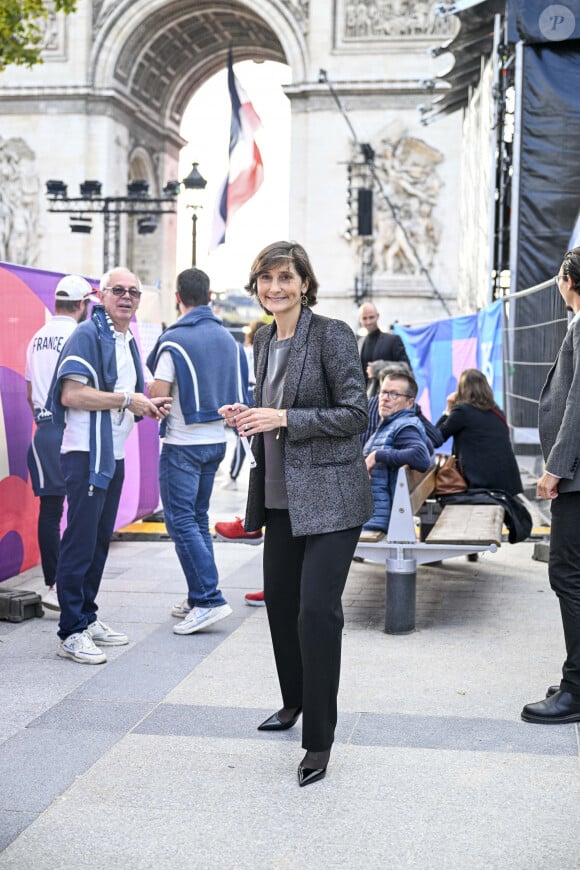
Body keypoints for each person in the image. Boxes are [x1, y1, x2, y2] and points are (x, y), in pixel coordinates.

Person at [220, 240, 373, 787]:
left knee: (316, 611)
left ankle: (319, 741)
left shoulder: (331, 333)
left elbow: (358, 413)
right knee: (281, 605)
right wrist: (248, 415)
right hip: (280, 496)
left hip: (332, 497)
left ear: (304, 282)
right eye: (265, 279)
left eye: (285, 277)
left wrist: (284, 416)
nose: (274, 288)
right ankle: (294, 702)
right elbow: (273, 413)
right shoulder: (262, 337)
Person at [49, 267, 171, 664]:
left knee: (100, 541)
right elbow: (71, 394)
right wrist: (125, 400)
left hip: (111, 455)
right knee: (80, 542)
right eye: (118, 290)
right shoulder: (87, 334)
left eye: (134, 292)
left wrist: (147, 405)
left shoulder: (125, 339)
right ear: (100, 295)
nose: (127, 297)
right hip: (86, 454)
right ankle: (71, 631)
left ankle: (86, 616)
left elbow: (133, 392)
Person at [147, 268, 249, 634]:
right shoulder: (228, 339)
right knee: (198, 517)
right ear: (209, 296)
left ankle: (208, 599)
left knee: (181, 521)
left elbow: (158, 395)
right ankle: (197, 594)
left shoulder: (174, 340)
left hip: (182, 444)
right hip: (216, 442)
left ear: (179, 297)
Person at [521, 248, 580, 724]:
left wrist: (554, 469)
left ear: (567, 278)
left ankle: (576, 691)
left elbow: (578, 405)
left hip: (577, 477)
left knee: (566, 575)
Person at [25, 274, 93, 611]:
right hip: (71, 430)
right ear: (82, 305)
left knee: (51, 511)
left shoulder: (36, 337)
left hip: (44, 430)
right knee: (82, 513)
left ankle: (54, 584)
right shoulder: (80, 335)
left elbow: (28, 393)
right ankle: (70, 587)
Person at [362, 370, 433, 533]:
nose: (385, 398)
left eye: (394, 394)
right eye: (383, 392)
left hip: (374, 518)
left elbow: (421, 457)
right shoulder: (396, 423)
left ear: (409, 403)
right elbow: (428, 445)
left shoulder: (404, 426)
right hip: (371, 512)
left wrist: (377, 456)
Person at [435, 368, 523, 495]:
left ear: (461, 389)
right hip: (507, 484)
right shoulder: (497, 412)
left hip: (482, 485)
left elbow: (435, 438)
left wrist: (448, 410)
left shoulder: (462, 411)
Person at [222, 320, 267, 490]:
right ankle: (256, 477)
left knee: (244, 438)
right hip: (261, 394)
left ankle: (233, 475)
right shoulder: (267, 351)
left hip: (246, 393)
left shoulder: (246, 351)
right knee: (259, 438)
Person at [358, 302, 410, 384]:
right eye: (364, 318)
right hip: (364, 394)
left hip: (388, 392)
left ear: (377, 316)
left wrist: (380, 367)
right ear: (360, 319)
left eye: (371, 317)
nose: (368, 322)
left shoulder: (393, 340)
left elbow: (406, 367)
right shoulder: (359, 343)